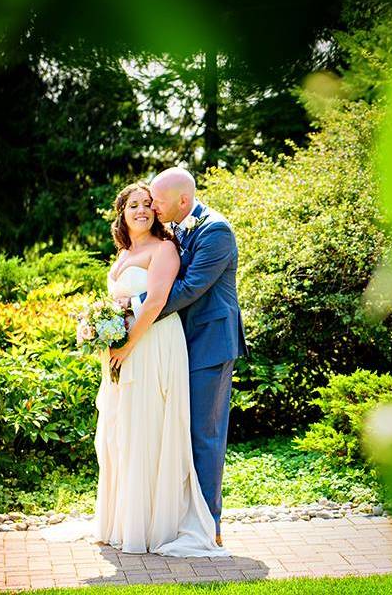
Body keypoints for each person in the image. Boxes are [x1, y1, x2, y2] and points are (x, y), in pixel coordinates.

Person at [41, 181, 229, 557]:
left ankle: (157, 526)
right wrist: (97, 330)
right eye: (134, 205)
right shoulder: (123, 253)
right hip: (125, 352)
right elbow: (120, 303)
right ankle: (126, 521)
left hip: (152, 344)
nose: (143, 210)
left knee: (150, 428)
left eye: (148, 204)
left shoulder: (165, 248)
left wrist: (126, 343)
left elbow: (158, 299)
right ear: (122, 213)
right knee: (123, 431)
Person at [119, 167, 248, 546]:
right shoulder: (177, 228)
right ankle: (177, 517)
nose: (153, 208)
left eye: (157, 201)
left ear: (183, 201)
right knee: (176, 431)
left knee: (203, 435)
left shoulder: (216, 231)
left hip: (211, 344)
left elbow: (190, 287)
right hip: (180, 343)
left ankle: (209, 528)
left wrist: (134, 310)